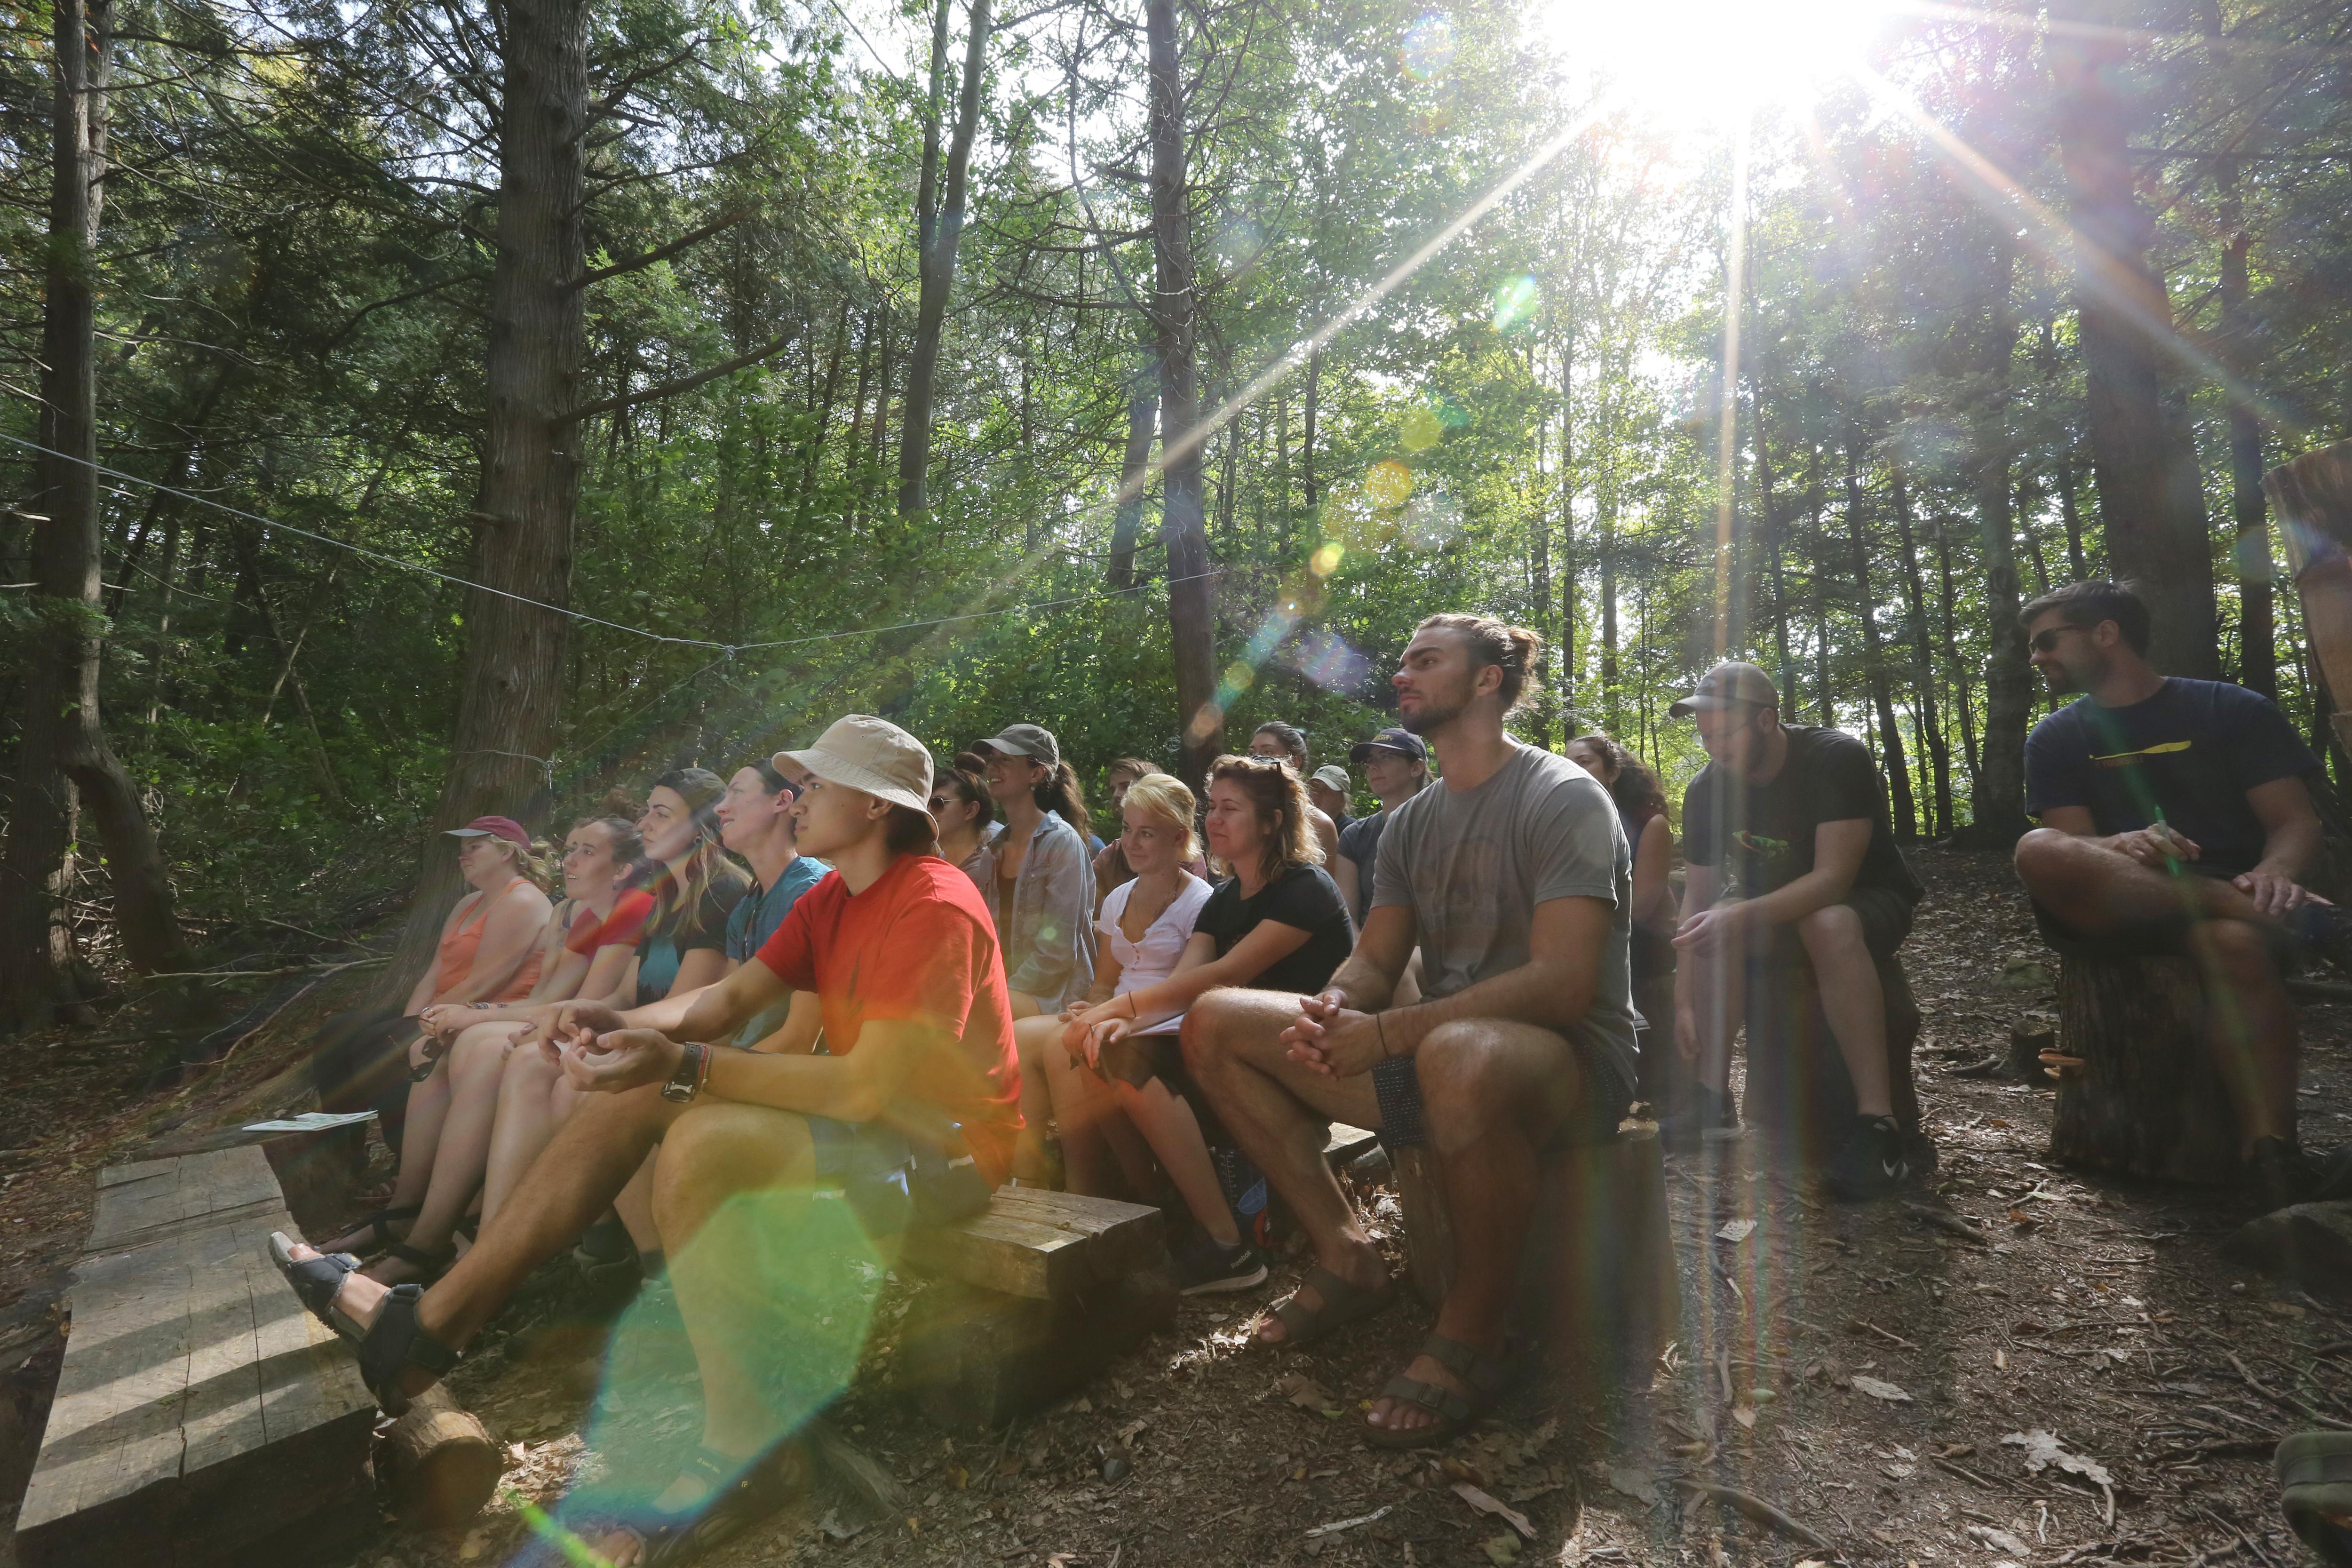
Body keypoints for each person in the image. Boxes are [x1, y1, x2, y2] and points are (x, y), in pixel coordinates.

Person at [269, 714, 1019, 1568]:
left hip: (946, 1152)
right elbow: (721, 1004)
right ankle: (430, 1327)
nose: (800, 796)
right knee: (645, 1096)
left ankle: (744, 1444)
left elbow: (864, 1087)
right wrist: (617, 1018)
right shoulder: (833, 897)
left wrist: (688, 1065)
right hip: (868, 1130)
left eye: (819, 783)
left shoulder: (934, 904)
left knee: (696, 1132)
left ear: (879, 807)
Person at [1183, 614, 1637, 1448]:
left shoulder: (1563, 795)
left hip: (1567, 1065)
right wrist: (1333, 1004)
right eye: (1401, 660)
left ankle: (1476, 1331)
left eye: (1425, 660)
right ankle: (1347, 1256)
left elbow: (1566, 984)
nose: (1402, 673)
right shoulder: (1412, 823)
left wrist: (1389, 1031)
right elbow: (1377, 954)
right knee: (1215, 1018)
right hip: (1441, 1061)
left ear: (1488, 679)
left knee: (1458, 1052)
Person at [2011, 580, 2352, 1207]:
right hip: (2115, 905)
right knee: (2035, 849)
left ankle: (2272, 1155)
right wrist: (2126, 841)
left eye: (2048, 641)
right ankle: (2304, 923)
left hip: (2230, 900)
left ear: (2106, 633)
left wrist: (2276, 873)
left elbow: (2294, 822)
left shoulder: (2232, 709)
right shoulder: (2056, 737)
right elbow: (2074, 849)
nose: (2037, 658)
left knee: (2232, 943)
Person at [323, 817, 648, 1281]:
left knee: (475, 1044)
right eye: (570, 848)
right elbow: (543, 1001)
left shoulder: (630, 908)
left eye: (586, 852)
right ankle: (410, 1212)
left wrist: (475, 1014)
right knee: (455, 1040)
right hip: (563, 1021)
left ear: (620, 870)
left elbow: (589, 1005)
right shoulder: (587, 914)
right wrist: (468, 1015)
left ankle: (452, 1237)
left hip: (602, 1035)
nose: (569, 860)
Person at [1032, 771, 1303, 1292]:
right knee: (1059, 1041)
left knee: (1095, 1050)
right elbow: (1104, 983)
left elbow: (1197, 987)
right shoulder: (1117, 900)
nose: (1130, 843)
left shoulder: (1207, 901)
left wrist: (1110, 1018)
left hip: (1177, 1021)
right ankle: (1102, 1194)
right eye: (1127, 830)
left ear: (1180, 838)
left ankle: (1142, 1198)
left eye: (1146, 833)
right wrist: (1090, 1010)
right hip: (1132, 1012)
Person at [1668, 661, 1925, 1198]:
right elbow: (1695, 896)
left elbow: (1832, 881)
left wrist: (1738, 912)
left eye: (1723, 730)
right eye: (1704, 732)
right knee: (1719, 925)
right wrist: (1682, 1000)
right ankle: (1710, 1101)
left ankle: (1878, 1128)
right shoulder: (1705, 791)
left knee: (1824, 923)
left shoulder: (1833, 759)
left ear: (1765, 721)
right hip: (1773, 908)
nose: (1712, 745)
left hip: (1866, 900)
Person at [311, 817, 553, 1153]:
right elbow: (434, 973)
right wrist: (412, 1018)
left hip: (488, 1013)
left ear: (505, 853)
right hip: (444, 1008)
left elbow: (485, 981)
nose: (462, 856)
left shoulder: (522, 901)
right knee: (338, 1031)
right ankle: (343, 1156)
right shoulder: (467, 904)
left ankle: (406, 1161)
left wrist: (411, 1025)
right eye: (461, 850)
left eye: (474, 847)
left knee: (384, 1043)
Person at [1566, 732, 1678, 1104]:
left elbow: (1643, 904)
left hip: (1646, 939)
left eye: (1583, 761)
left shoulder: (1651, 825)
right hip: (1596, 934)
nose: (1573, 769)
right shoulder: (1570, 827)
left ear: (1612, 771)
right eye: (1567, 762)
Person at [1335, 726, 1430, 926]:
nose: (1373, 767)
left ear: (1416, 768)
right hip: (1368, 950)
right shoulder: (1355, 835)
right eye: (1369, 761)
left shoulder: (1444, 826)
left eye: (1386, 757)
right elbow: (1347, 917)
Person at [1250, 721, 1343, 864]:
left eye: (1268, 752)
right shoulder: (1243, 814)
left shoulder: (1320, 824)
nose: (1257, 759)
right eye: (1252, 753)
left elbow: (1329, 884)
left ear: (1295, 761)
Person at [931, 761, 996, 883]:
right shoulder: (934, 865)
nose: (929, 810)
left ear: (971, 811)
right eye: (927, 803)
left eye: (938, 803)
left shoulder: (989, 872)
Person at [1308, 765, 1355, 832]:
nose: (1317, 795)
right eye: (1314, 788)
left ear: (1342, 800)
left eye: (1326, 791)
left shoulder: (1351, 830)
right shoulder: (1299, 823)